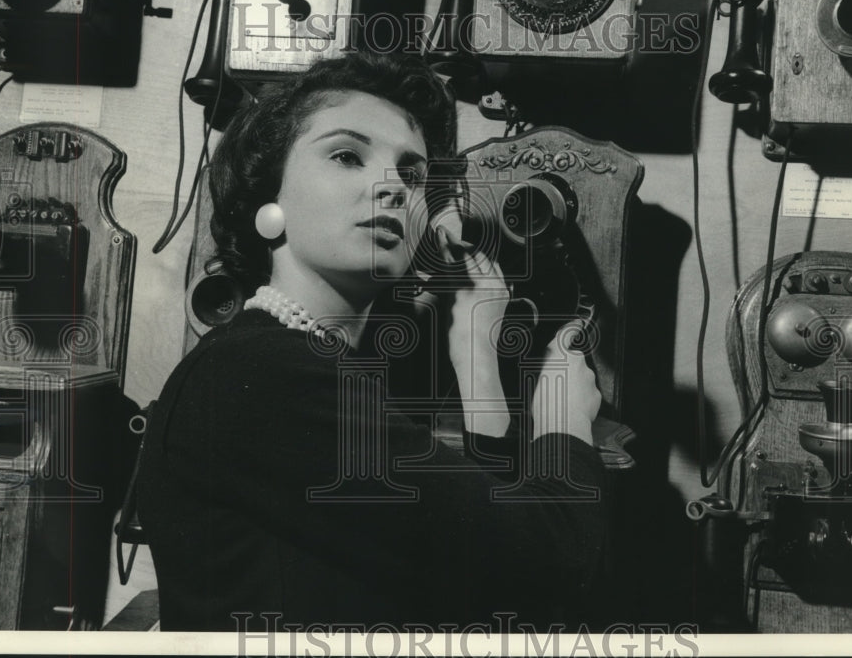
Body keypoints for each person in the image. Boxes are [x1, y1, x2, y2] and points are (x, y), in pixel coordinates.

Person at [136, 52, 608, 633]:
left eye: (411, 174)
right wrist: (564, 415)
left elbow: (480, 576)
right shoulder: (256, 372)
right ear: (268, 199)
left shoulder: (311, 367)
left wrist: (474, 354)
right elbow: (548, 562)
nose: (390, 187)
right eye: (346, 156)